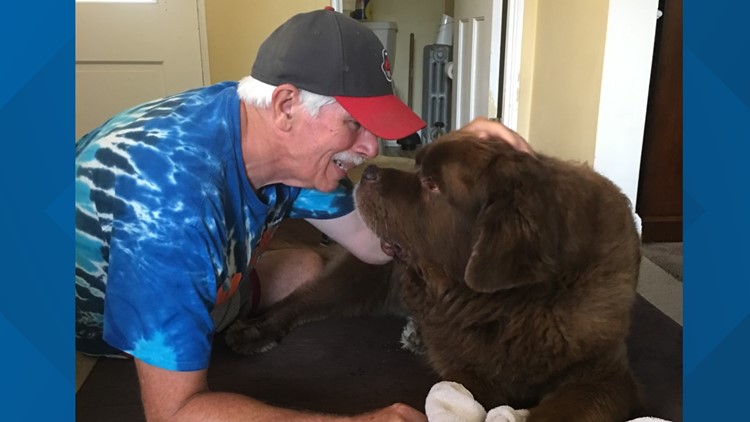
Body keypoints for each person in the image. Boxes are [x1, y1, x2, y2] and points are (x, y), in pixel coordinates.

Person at [75, 8, 530, 422]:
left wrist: (461, 148)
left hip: (190, 275)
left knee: (306, 267)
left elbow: (374, 247)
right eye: (354, 123)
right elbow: (174, 413)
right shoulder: (171, 202)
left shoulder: (258, 129)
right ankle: (174, 326)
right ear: (287, 105)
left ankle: (190, 310)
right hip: (90, 326)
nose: (371, 148)